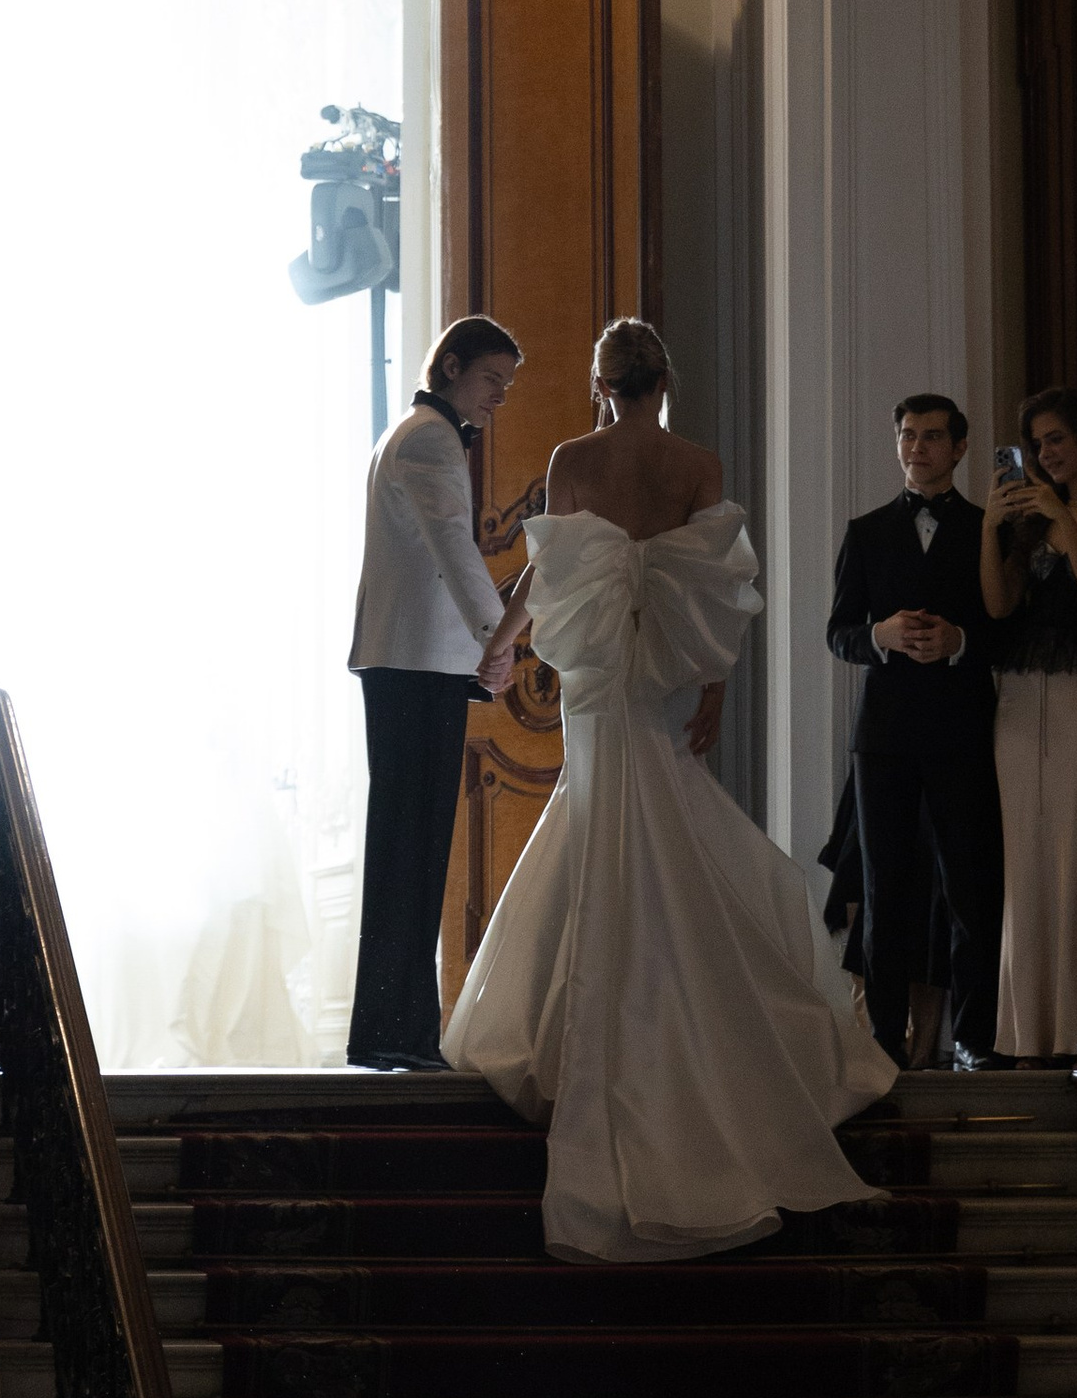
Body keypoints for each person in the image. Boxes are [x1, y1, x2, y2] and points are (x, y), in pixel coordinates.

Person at [445, 321, 892, 1261]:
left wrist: (502, 641)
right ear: (665, 380)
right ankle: (710, 1038)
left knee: (604, 827)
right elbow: (717, 591)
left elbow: (548, 567)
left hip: (599, 685)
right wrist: (717, 689)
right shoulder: (698, 461)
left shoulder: (574, 457)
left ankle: (592, 1042)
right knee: (670, 832)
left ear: (602, 382)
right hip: (662, 680)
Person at [344, 315, 528, 1072]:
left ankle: (399, 1030)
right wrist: (500, 636)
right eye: (491, 381)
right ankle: (395, 1032)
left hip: (413, 663)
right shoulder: (427, 437)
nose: (499, 400)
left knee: (411, 851)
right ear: (451, 366)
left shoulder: (417, 433)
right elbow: (454, 539)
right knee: (409, 852)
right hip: (415, 665)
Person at [827, 393, 1004, 1069]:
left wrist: (959, 640)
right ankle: (882, 1041)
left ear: (959, 448)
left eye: (932, 437)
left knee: (971, 887)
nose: (917, 448)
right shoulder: (866, 531)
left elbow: (1006, 629)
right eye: (907, 436)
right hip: (885, 735)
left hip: (962, 728)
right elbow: (838, 632)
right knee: (884, 889)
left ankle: (974, 1037)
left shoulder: (989, 529)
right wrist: (881, 635)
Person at [980, 388, 1077, 1065]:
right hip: (1021, 699)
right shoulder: (1031, 522)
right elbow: (999, 608)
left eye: (1056, 438)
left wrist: (1062, 518)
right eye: (1036, 443)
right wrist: (992, 527)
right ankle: (1027, 1029)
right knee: (1026, 857)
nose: (1045, 452)